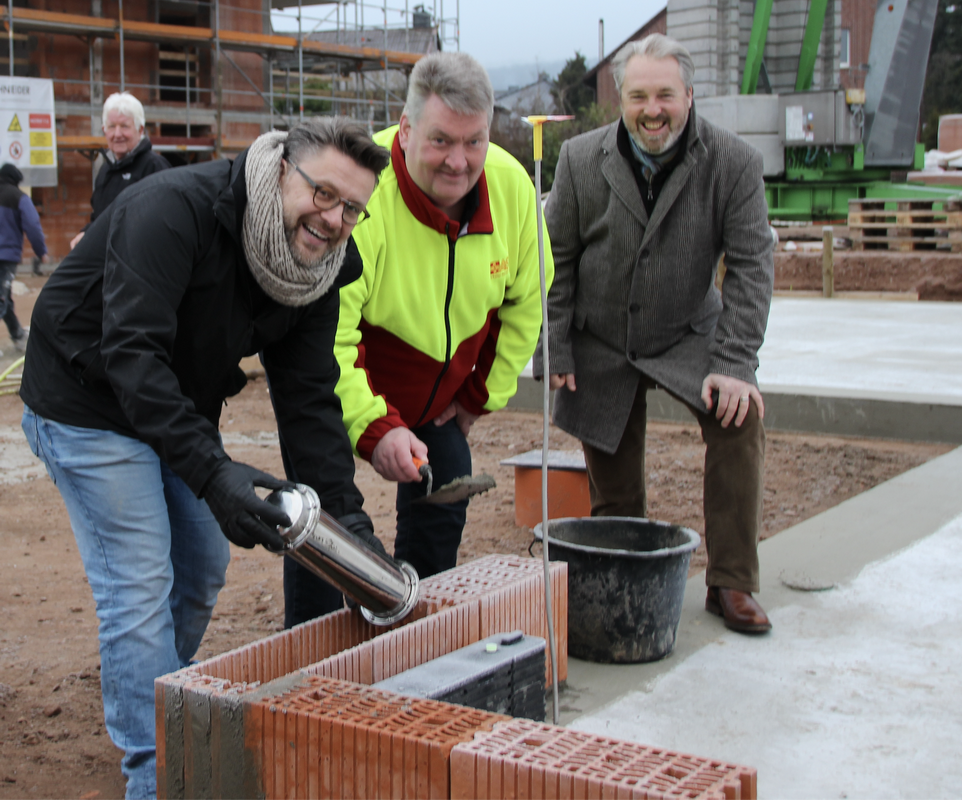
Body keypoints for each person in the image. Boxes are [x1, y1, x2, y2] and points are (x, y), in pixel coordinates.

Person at [19, 117, 389, 799]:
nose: (334, 219)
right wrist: (214, 473)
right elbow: (131, 354)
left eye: (353, 209)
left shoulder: (316, 272)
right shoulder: (172, 211)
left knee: (201, 566)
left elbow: (309, 406)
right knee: (137, 584)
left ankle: (154, 700)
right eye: (323, 193)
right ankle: (155, 773)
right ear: (283, 169)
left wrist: (351, 531)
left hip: (171, 399)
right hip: (85, 391)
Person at [282, 52, 553, 626]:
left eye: (474, 142)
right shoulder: (364, 197)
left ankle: (414, 627)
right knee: (322, 516)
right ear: (405, 132)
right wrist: (376, 427)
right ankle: (310, 645)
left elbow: (528, 299)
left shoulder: (511, 189)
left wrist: (480, 395)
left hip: (440, 398)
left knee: (445, 490)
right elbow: (327, 339)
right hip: (355, 377)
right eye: (440, 141)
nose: (459, 162)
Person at [536, 33, 776, 634]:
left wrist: (736, 362)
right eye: (638, 95)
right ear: (621, 98)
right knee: (612, 472)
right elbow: (555, 258)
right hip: (603, 337)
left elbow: (751, 264)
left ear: (689, 96)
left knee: (739, 419)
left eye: (665, 95)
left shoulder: (734, 163)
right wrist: (556, 344)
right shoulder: (579, 160)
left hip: (686, 331)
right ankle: (623, 572)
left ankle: (731, 581)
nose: (652, 109)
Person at [69, 91, 169, 249]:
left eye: (124, 126)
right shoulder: (105, 170)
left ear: (140, 130)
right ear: (104, 130)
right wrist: (87, 233)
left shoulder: (154, 167)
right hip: (109, 262)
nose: (117, 134)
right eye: (111, 126)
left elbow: (164, 222)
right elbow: (101, 218)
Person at [0, 163, 47, 354]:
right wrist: (40, 251)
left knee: (4, 297)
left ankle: (18, 335)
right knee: (2, 297)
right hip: (6, 257)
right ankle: (18, 337)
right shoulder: (19, 197)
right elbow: (33, 226)